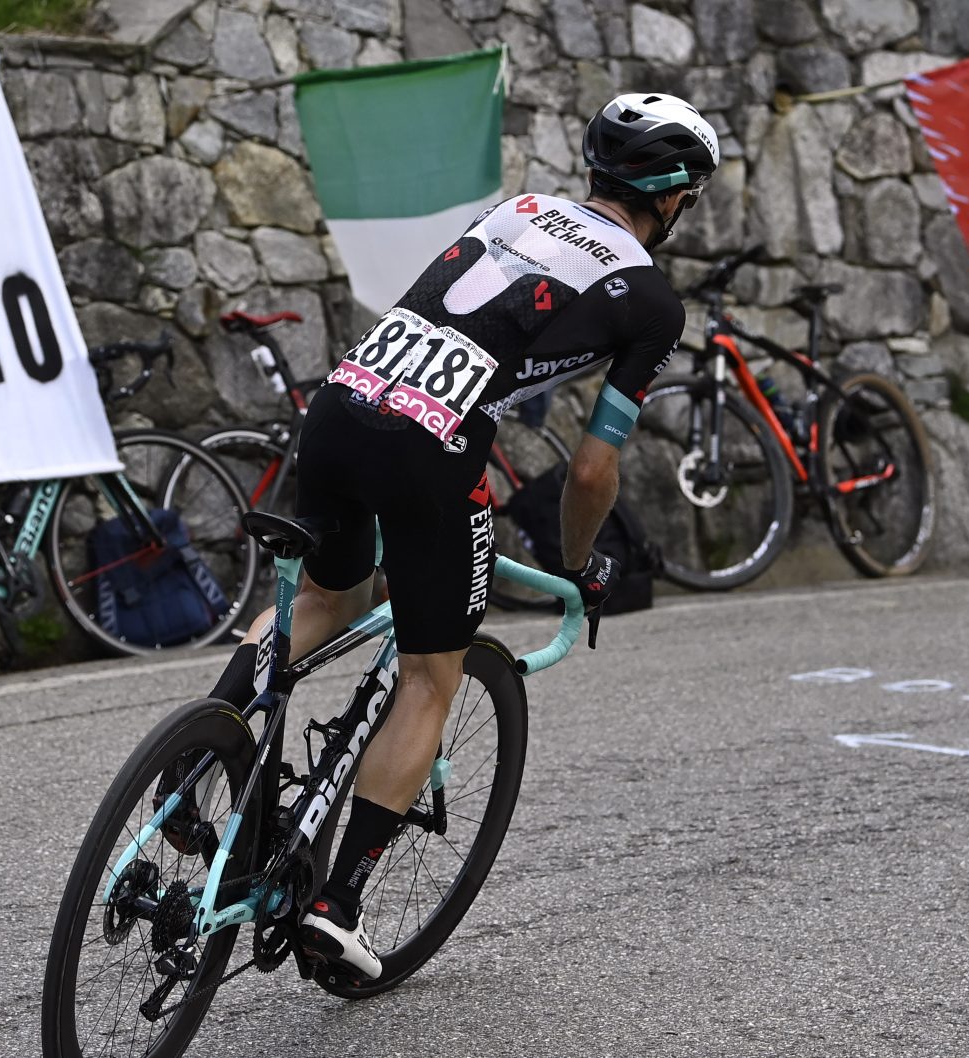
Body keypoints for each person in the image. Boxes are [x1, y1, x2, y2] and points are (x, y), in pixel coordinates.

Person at [203, 93, 721, 979]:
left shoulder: (517, 208)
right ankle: (338, 905)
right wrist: (574, 561)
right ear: (673, 198)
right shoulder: (650, 299)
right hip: (431, 448)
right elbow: (593, 471)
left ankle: (198, 769)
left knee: (327, 596)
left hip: (342, 403)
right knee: (431, 679)